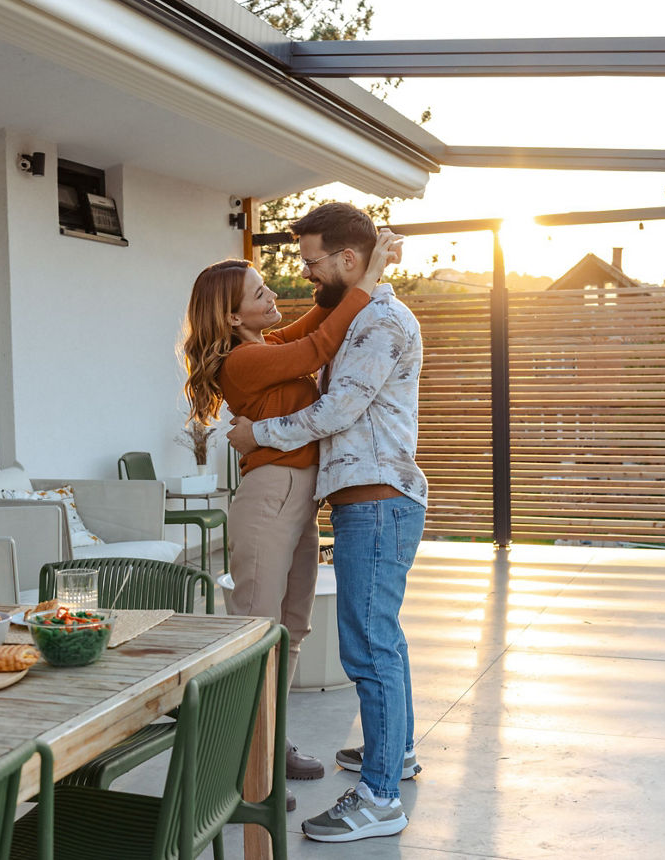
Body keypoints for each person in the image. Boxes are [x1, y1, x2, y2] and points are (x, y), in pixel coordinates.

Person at [179, 229, 401, 807]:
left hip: (301, 497)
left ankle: (270, 750)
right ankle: (239, 776)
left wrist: (364, 270)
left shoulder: (266, 341)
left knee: (290, 631)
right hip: (270, 495)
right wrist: (369, 274)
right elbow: (319, 347)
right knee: (254, 634)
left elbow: (317, 322)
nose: (273, 293)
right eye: (258, 292)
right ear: (231, 318)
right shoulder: (244, 360)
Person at [227, 201, 426, 843]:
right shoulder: (361, 314)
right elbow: (312, 336)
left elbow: (339, 408)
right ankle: (392, 757)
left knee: (368, 643)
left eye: (313, 261)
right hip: (365, 498)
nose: (306, 274)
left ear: (346, 258)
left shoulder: (380, 322)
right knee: (379, 637)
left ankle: (379, 797)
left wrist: (259, 432)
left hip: (376, 499)